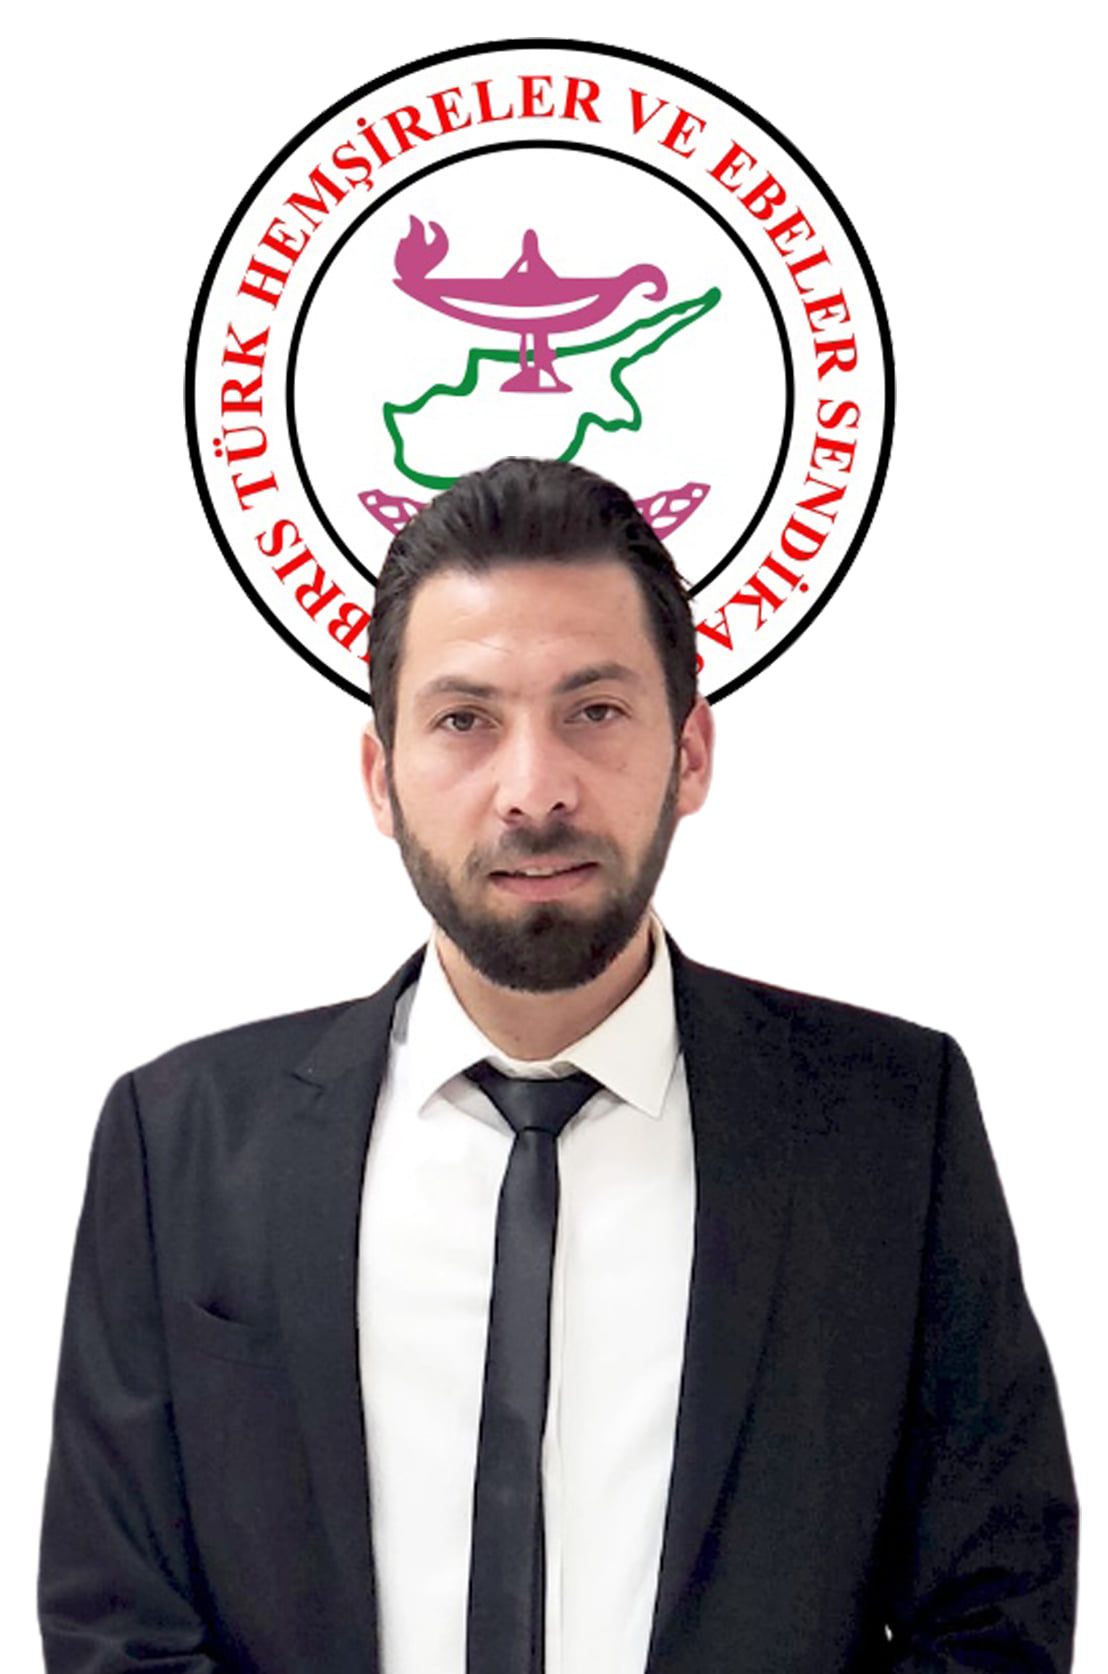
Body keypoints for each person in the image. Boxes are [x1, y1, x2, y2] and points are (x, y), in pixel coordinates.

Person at [40, 457, 1077, 1674]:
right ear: (381, 778)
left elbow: (992, 1615)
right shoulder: (180, 1143)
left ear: (690, 752)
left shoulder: (892, 1127)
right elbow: (117, 1624)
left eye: (593, 712)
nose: (534, 790)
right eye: (464, 721)